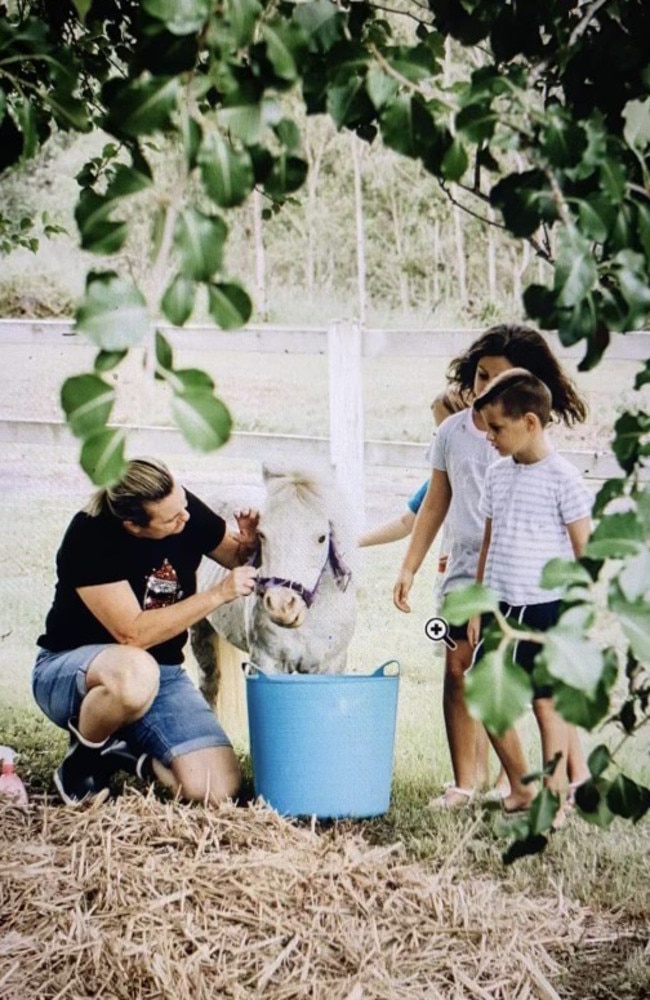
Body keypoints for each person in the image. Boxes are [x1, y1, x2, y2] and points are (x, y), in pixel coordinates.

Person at [393, 324, 590, 812]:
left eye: (498, 381)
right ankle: (468, 779)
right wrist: (410, 565)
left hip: (525, 578)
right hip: (467, 570)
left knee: (539, 686)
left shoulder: (525, 437)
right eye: (481, 377)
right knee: (458, 665)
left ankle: (557, 776)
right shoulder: (453, 432)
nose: (485, 391)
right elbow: (435, 503)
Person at [32, 457, 259, 807]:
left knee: (216, 789)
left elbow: (232, 556)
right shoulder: (90, 535)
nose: (185, 518)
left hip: (161, 675)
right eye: (171, 519)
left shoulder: (178, 507)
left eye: (183, 505)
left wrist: (246, 545)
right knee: (135, 671)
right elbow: (133, 635)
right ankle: (82, 764)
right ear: (133, 526)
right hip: (75, 672)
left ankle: (124, 753)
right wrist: (217, 594)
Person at [467, 369, 594, 822]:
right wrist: (481, 602)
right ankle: (521, 786)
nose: (490, 438)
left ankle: (555, 797)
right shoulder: (497, 476)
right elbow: (488, 542)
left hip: (548, 609)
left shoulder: (563, 479)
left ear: (531, 423)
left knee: (547, 703)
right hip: (502, 610)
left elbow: (584, 552)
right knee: (484, 692)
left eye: (497, 428)